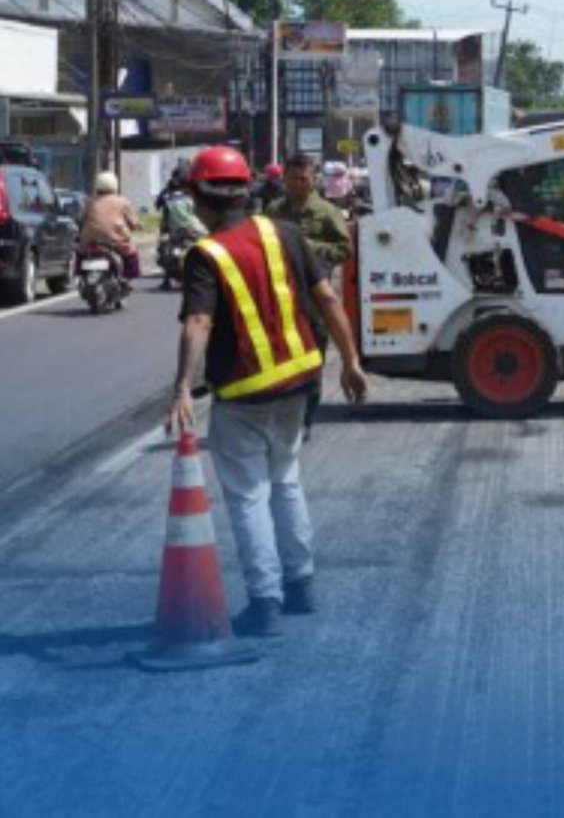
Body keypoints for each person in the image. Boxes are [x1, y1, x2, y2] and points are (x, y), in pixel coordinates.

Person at [165, 146, 368, 637]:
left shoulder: (206, 254)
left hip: (244, 391)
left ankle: (265, 602)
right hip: (300, 380)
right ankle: (302, 585)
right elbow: (326, 299)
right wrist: (352, 362)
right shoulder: (286, 233)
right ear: (247, 191)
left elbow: (197, 321)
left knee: (249, 496)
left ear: (199, 199)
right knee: (286, 480)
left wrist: (183, 390)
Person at [266, 153, 353, 444]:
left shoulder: (327, 212)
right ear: (285, 179)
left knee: (312, 362)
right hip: (279, 298)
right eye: (292, 178)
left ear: (314, 178)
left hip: (315, 300)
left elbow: (344, 250)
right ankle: (281, 418)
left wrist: (307, 247)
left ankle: (306, 419)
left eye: (303, 178)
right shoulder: (274, 210)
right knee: (280, 361)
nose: (298, 184)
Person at [79, 171, 141, 284]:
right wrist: (136, 225)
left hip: (90, 241)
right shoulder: (122, 202)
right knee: (132, 253)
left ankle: (78, 276)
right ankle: (126, 279)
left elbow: (81, 218)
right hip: (116, 241)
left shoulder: (89, 201)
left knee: (80, 253)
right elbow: (134, 222)